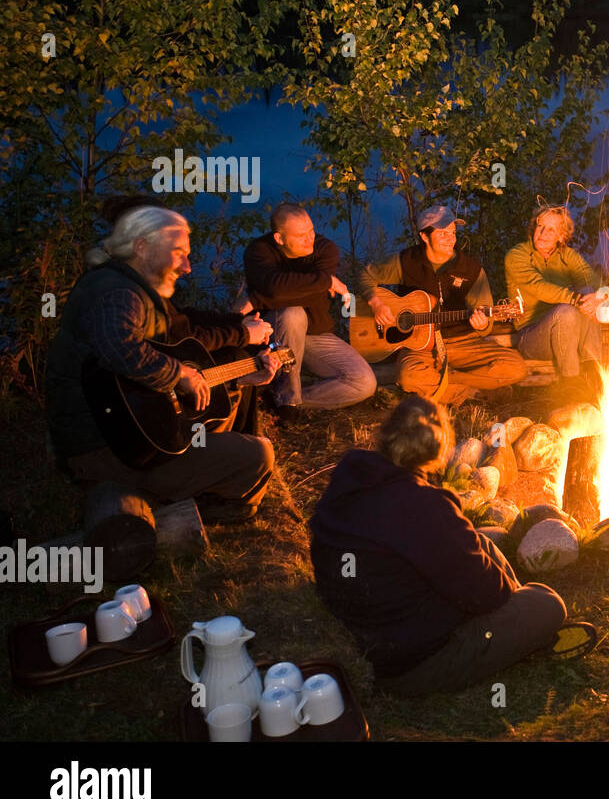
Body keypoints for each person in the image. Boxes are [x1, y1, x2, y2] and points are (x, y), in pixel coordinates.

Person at [309, 396, 572, 694]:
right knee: (547, 603)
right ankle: (523, 630)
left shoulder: (352, 473)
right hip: (412, 664)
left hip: (367, 625)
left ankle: (518, 624)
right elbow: (489, 595)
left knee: (480, 540)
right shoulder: (426, 507)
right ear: (439, 449)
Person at [45, 206, 278, 522]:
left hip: (134, 435)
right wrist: (179, 373)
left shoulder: (135, 287)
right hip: (110, 449)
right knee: (258, 454)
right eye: (179, 253)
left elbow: (174, 345)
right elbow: (120, 347)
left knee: (225, 407)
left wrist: (244, 377)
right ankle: (196, 504)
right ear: (142, 248)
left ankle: (195, 485)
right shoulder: (117, 291)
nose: (188, 267)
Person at [358, 205, 526, 406]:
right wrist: (376, 303)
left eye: (453, 233)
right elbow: (364, 275)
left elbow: (485, 321)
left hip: (463, 342)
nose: (451, 239)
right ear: (424, 236)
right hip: (419, 345)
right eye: (443, 233)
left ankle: (446, 383)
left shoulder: (471, 269)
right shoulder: (406, 261)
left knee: (516, 368)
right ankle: (473, 393)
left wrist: (481, 325)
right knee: (409, 376)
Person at [244, 203, 376, 424]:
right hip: (273, 335)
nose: (310, 239)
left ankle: (282, 399)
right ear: (279, 238)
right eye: (301, 235)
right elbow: (274, 287)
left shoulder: (325, 249)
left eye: (311, 231)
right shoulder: (259, 251)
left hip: (316, 334)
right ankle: (288, 405)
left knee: (364, 382)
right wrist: (327, 281)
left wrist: (256, 299)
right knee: (293, 314)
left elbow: (309, 296)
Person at [504, 203, 604, 399]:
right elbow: (539, 287)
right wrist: (576, 299)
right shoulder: (517, 255)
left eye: (552, 229)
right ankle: (571, 385)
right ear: (534, 227)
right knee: (567, 310)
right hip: (532, 336)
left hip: (571, 334)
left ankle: (594, 376)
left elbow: (594, 281)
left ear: (561, 235)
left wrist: (602, 296)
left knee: (589, 293)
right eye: (540, 226)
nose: (543, 233)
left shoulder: (568, 256)